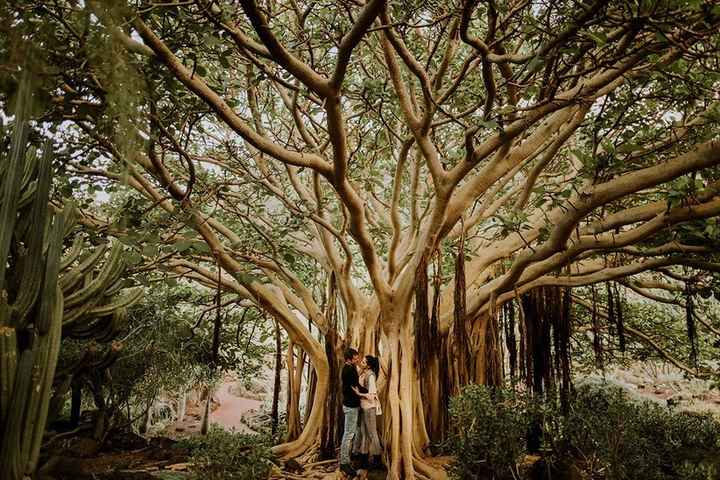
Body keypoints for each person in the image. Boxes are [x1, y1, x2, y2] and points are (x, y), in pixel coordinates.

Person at [340, 348, 366, 477]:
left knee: (356, 430)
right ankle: (344, 463)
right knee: (349, 434)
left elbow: (355, 386)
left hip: (352, 405)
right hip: (351, 406)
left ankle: (354, 454)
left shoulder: (349, 368)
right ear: (349, 358)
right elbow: (356, 386)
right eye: (355, 358)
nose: (358, 360)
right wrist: (369, 392)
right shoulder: (349, 370)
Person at [354, 355, 383, 470]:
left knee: (372, 433)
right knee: (364, 433)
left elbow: (372, 395)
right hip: (362, 407)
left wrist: (359, 394)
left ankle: (377, 459)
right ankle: (364, 459)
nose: (362, 362)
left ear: (369, 365)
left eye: (364, 362)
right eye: (362, 360)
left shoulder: (370, 376)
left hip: (369, 407)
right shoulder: (363, 373)